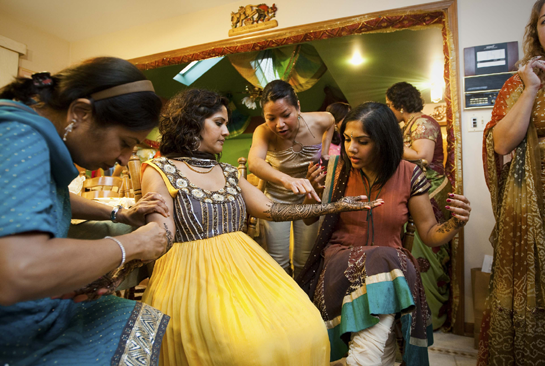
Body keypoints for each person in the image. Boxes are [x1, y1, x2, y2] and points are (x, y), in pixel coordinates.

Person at [140, 89, 382, 366]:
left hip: (242, 265)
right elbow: (161, 235)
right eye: (219, 123)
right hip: (190, 273)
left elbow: (272, 209)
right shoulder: (158, 169)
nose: (227, 132)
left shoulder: (228, 172)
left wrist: (335, 206)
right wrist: (125, 230)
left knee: (307, 325)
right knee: (248, 348)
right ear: (192, 122)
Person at [0, 57, 171, 366]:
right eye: (124, 143)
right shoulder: (18, 136)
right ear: (81, 113)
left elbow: (53, 196)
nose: (123, 159)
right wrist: (134, 244)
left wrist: (118, 215)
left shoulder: (28, 135)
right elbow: (17, 269)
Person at [298, 102, 471, 366]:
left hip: (392, 267)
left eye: (362, 141)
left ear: (383, 141)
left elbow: (430, 234)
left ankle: (364, 358)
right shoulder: (335, 169)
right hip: (341, 263)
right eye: (346, 139)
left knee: (384, 258)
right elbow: (310, 219)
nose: (351, 148)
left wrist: (456, 223)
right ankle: (373, 355)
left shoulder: (409, 174)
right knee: (384, 261)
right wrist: (311, 192)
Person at [479, 1, 545, 364]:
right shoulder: (520, 83)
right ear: (535, 30)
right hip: (534, 206)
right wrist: (532, 87)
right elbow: (502, 143)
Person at [248, 79, 335, 277]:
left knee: (305, 260)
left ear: (298, 107)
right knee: (278, 262)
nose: (279, 125)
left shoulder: (320, 120)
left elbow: (331, 121)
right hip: (277, 201)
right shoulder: (262, 132)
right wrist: (288, 180)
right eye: (271, 118)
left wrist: (326, 150)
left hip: (309, 200)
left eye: (286, 115)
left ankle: (305, 305)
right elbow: (254, 162)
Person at [385, 81, 451, 330]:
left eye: (390, 106)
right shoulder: (412, 125)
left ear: (400, 106)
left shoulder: (423, 123)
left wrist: (390, 145)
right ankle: (418, 314)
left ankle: (432, 317)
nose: (390, 111)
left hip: (430, 192)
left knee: (427, 252)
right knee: (416, 250)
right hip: (420, 191)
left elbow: (422, 155)